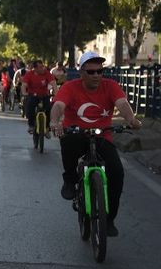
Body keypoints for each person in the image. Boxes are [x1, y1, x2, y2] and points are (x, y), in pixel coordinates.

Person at [50, 51, 142, 237]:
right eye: (91, 72)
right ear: (81, 72)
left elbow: (122, 103)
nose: (96, 75)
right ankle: (69, 180)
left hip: (102, 136)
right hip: (76, 134)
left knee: (116, 173)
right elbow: (59, 105)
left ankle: (109, 220)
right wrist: (54, 122)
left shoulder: (111, 86)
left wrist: (131, 119)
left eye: (100, 71)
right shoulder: (70, 87)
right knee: (67, 141)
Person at [22, 60, 57, 136]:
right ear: (35, 68)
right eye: (40, 67)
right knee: (29, 106)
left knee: (49, 109)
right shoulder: (29, 74)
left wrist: (55, 93)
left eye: (43, 66)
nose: (43, 68)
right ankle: (31, 125)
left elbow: (53, 83)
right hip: (33, 95)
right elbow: (24, 85)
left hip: (45, 95)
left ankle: (47, 128)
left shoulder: (47, 73)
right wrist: (24, 93)